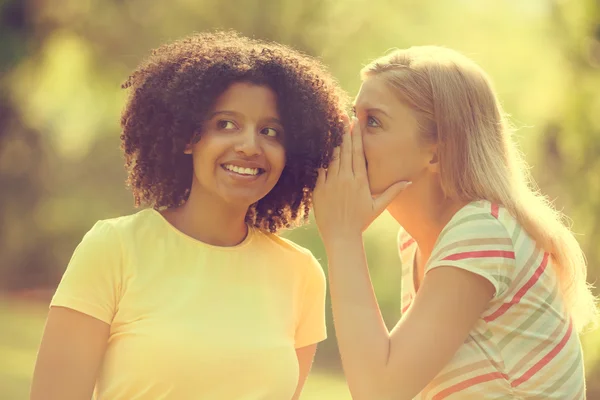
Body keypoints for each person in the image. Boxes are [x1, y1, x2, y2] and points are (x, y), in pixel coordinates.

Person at [31, 31, 347, 400]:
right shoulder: (114, 247)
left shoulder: (301, 273)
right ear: (187, 137)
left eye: (270, 131)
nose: (249, 146)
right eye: (226, 124)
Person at [313, 45, 597, 399]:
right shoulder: (417, 241)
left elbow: (378, 391)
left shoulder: (482, 232)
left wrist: (342, 237)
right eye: (354, 115)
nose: (349, 135)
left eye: (373, 121)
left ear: (437, 151)